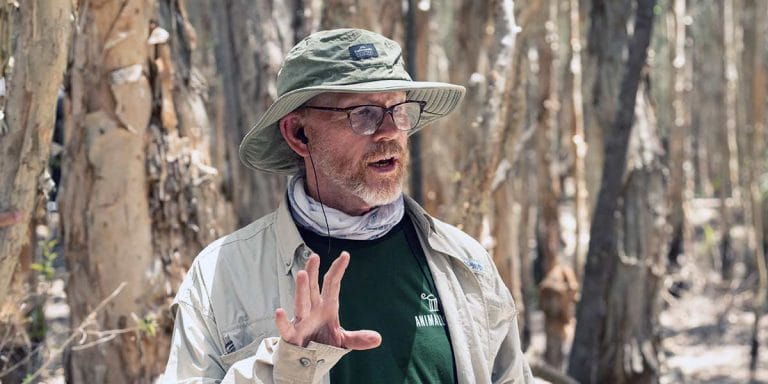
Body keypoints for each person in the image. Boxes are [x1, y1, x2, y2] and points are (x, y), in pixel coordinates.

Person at [164, 28, 533, 384]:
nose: (389, 131)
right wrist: (290, 368)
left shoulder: (465, 263)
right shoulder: (222, 277)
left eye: (399, 110)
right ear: (298, 133)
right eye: (364, 114)